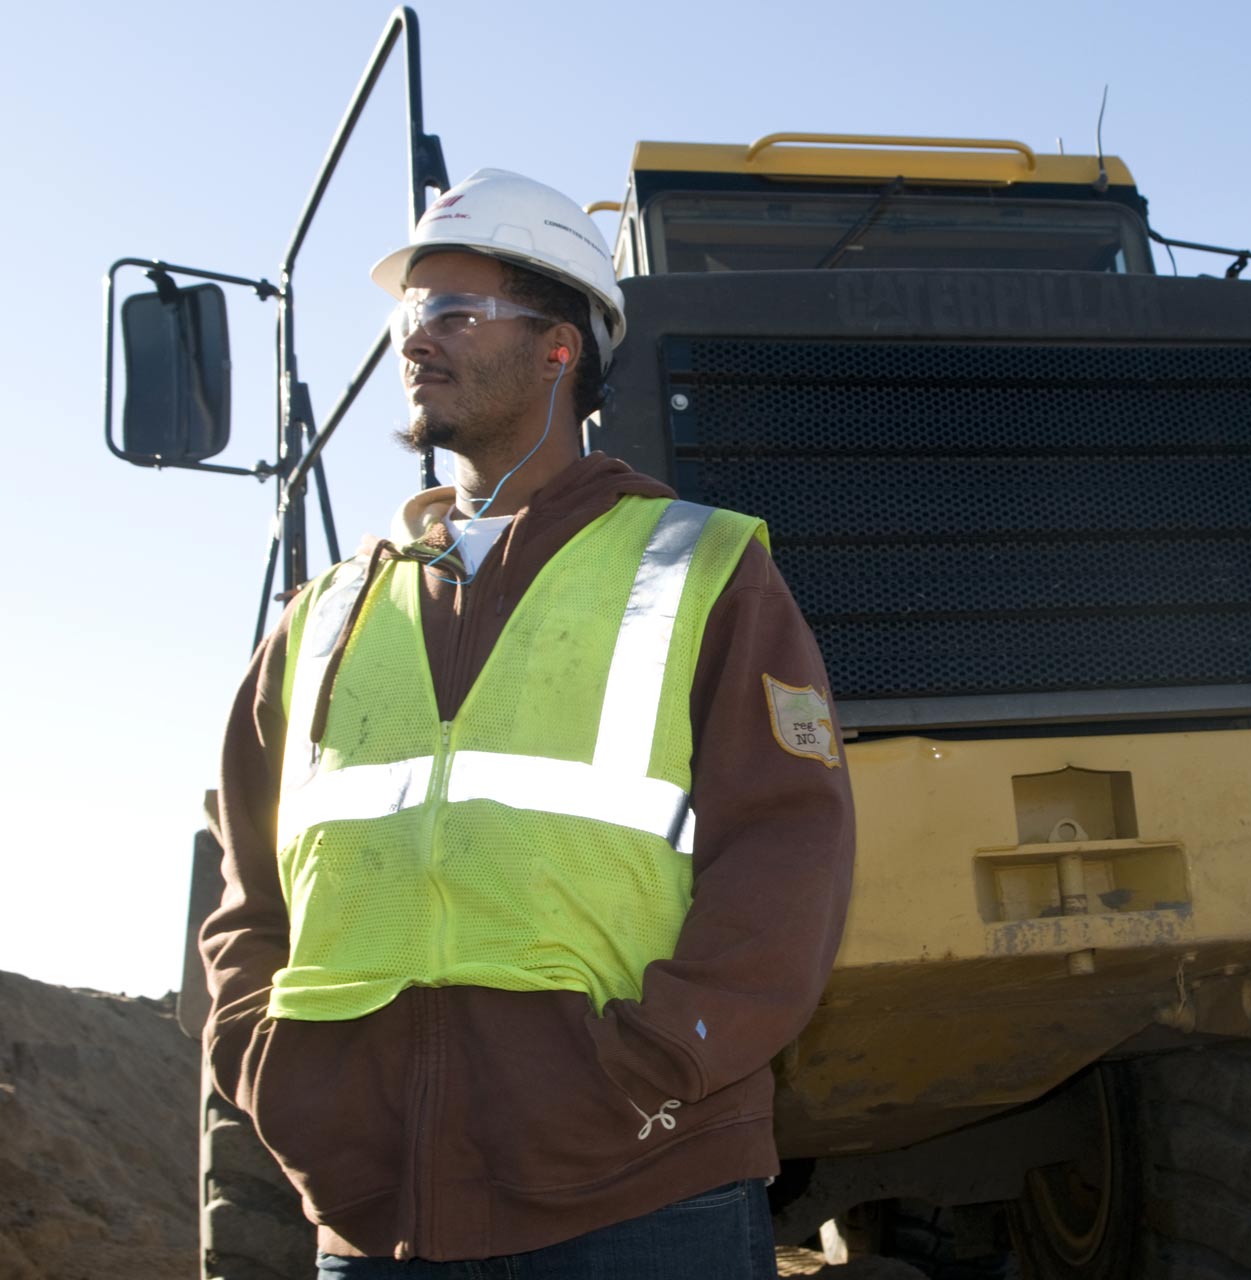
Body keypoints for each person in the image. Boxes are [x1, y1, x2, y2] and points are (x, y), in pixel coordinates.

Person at [199, 168, 856, 1277]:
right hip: (377, 1213)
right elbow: (242, 889)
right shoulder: (325, 613)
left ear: (560, 349)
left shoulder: (701, 569)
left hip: (642, 1194)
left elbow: (790, 853)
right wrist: (269, 1068)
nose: (416, 341)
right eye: (411, 313)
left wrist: (650, 1068)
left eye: (454, 311)